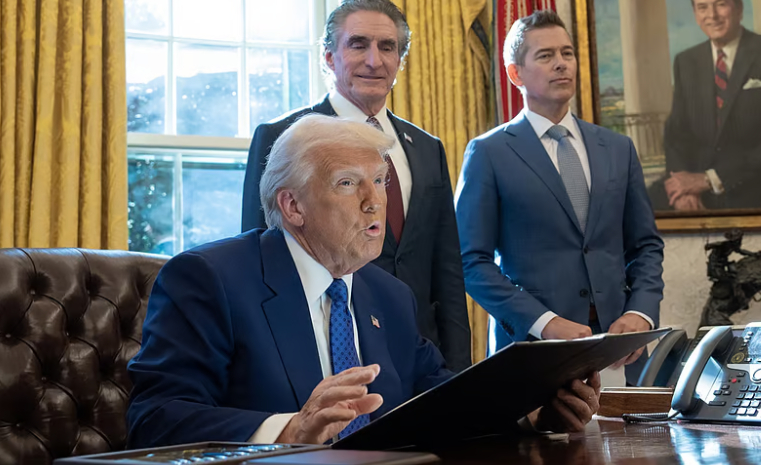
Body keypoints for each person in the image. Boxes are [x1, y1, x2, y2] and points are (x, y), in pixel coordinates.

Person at [127, 115, 602, 447]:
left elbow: (445, 399)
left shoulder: (389, 295)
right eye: (348, 183)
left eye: (381, 181)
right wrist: (288, 430)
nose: (375, 202)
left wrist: (531, 412)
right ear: (293, 206)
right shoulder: (210, 278)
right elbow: (155, 417)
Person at [240, 0, 471, 372]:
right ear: (329, 57)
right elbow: (259, 255)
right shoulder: (282, 136)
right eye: (358, 44)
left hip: (419, 354)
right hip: (323, 346)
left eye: (387, 47)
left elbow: (447, 269)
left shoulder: (427, 148)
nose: (374, 61)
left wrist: (460, 371)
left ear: (400, 60)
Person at [454, 10, 664, 384]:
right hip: (533, 351)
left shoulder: (618, 148)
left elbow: (645, 245)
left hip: (619, 350)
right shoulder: (488, 153)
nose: (561, 63)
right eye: (545, 55)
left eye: (567, 53)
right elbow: (470, 261)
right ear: (515, 73)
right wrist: (545, 322)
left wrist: (641, 313)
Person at [662, 0, 761, 211]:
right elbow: (676, 133)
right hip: (695, 183)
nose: (712, 15)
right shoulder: (686, 61)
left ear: (739, 9)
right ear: (695, 14)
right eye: (703, 7)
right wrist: (682, 187)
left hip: (751, 183)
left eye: (721, 4)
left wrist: (711, 179)